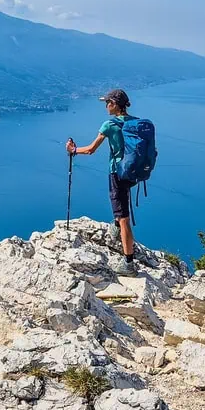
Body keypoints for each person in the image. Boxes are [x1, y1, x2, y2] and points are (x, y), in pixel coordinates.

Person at [66, 88, 139, 277]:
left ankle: (128, 264)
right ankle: (115, 229)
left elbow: (91, 149)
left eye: (107, 103)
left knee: (123, 217)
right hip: (131, 173)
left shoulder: (109, 124)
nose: (106, 106)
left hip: (117, 172)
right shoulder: (135, 122)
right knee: (121, 205)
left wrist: (74, 151)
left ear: (114, 104)